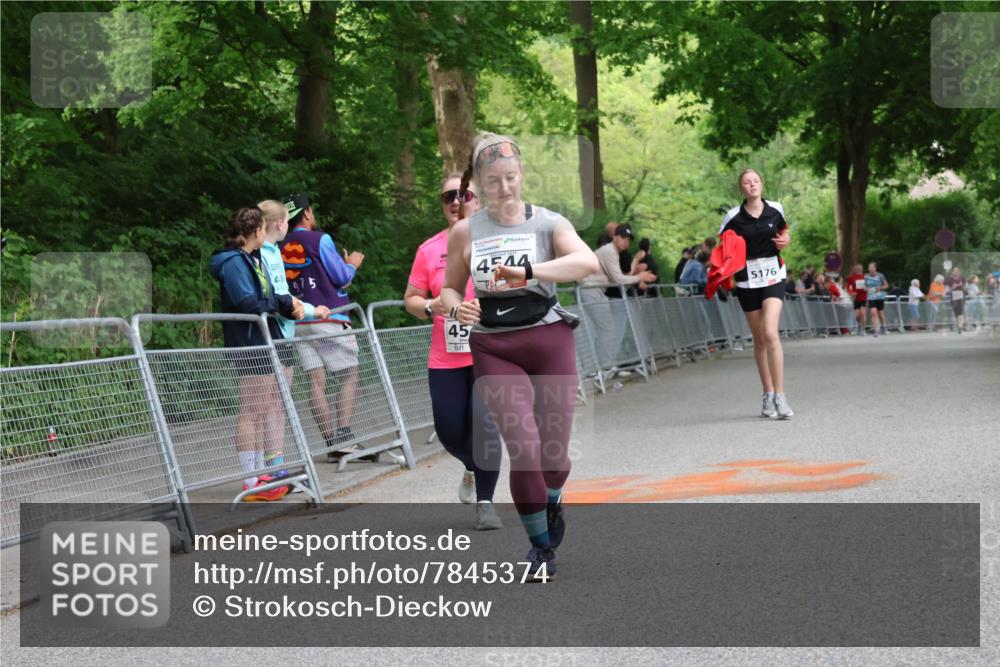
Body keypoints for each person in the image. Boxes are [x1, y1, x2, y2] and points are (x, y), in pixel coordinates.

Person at [441, 132, 600, 580]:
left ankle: (552, 497)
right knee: (524, 449)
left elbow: (586, 263)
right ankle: (540, 548)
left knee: (554, 456)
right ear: (477, 185)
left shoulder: (549, 223)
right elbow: (450, 286)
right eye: (493, 180)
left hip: (549, 339)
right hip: (494, 344)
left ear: (522, 174)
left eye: (511, 177)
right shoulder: (465, 231)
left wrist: (528, 272)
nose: (504, 188)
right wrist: (457, 305)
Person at [403, 174, 503, 530]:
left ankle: (486, 505)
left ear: (478, 200)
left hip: (489, 354)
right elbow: (411, 301)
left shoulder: (496, 242)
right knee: (449, 431)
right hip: (445, 357)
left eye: (465, 195)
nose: (457, 202)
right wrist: (434, 306)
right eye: (449, 197)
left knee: (486, 427)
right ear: (443, 204)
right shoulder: (429, 249)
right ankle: (473, 467)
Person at [209, 206, 305, 502]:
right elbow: (248, 302)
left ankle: (262, 477)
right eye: (265, 229)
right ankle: (251, 481)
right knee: (251, 410)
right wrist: (281, 303)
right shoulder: (233, 262)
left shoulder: (250, 258)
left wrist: (284, 303)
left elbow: (263, 297)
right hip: (248, 342)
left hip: (263, 339)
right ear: (258, 231)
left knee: (262, 407)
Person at [280, 193, 371, 462]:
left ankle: (331, 443)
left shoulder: (280, 243)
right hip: (328, 317)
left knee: (315, 381)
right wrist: (351, 265)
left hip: (298, 320)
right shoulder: (320, 239)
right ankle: (344, 438)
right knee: (349, 372)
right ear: (307, 213)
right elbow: (341, 277)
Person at [257, 201, 331, 486]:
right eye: (287, 220)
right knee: (266, 403)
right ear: (279, 224)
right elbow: (276, 296)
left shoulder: (275, 250)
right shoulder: (259, 253)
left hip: (285, 331)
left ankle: (277, 464)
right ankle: (264, 469)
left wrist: (313, 310)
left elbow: (285, 293)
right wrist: (307, 310)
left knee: (279, 401)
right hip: (270, 333)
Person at [719, 168, 793, 419]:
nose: (752, 185)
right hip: (747, 280)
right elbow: (723, 246)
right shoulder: (733, 216)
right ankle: (768, 393)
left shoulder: (775, 208)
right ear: (741, 188)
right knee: (760, 338)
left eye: (756, 180)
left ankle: (781, 397)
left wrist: (785, 240)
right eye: (747, 182)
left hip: (773, 274)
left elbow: (784, 232)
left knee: (771, 333)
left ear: (762, 183)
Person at [580, 224, 657, 369]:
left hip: (596, 291)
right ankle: (601, 367)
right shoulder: (609, 251)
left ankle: (601, 366)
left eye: (628, 239)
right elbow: (619, 279)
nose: (625, 241)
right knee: (607, 328)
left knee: (607, 329)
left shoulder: (612, 252)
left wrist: (637, 275)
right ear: (614, 237)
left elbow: (621, 279)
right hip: (591, 290)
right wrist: (639, 277)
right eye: (622, 237)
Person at [864, 261, 889, 337]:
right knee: (873, 313)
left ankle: (884, 327)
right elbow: (864, 286)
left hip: (879, 296)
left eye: (872, 267)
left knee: (880, 313)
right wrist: (865, 289)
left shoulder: (880, 275)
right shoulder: (866, 276)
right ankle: (876, 330)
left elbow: (886, 285)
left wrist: (880, 288)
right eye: (869, 267)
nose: (870, 269)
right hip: (871, 297)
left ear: (875, 268)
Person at [845, 264, 868, 335]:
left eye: (860, 268)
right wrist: (851, 292)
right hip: (856, 298)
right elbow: (847, 286)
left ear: (862, 269)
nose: (859, 269)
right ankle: (859, 326)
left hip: (864, 297)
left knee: (862, 313)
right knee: (857, 316)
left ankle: (863, 330)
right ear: (855, 269)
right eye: (857, 268)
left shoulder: (866, 277)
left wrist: (867, 288)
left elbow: (870, 285)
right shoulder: (852, 278)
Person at [945, 266, 967, 333]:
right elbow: (946, 288)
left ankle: (960, 326)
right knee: (956, 312)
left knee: (960, 310)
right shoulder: (949, 279)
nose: (956, 271)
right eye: (954, 270)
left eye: (957, 270)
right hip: (953, 295)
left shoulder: (962, 278)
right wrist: (952, 288)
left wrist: (962, 286)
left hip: (961, 295)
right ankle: (959, 325)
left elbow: (966, 287)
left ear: (959, 271)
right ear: (952, 271)